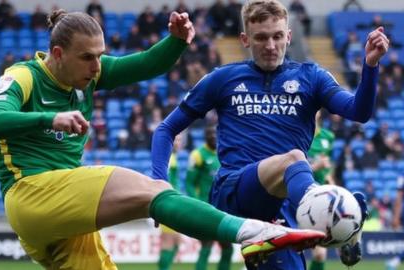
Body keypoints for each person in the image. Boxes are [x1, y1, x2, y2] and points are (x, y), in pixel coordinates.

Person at [0, 9, 325, 269]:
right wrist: (48, 117)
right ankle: (255, 232)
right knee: (153, 191)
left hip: (62, 218)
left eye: (100, 55)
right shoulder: (23, 75)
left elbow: (146, 64)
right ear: (57, 54)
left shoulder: (89, 75)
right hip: (30, 193)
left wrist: (176, 41)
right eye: (88, 57)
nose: (97, 66)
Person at [151, 0, 388, 268]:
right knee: (294, 159)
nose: (271, 46)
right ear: (245, 39)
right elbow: (165, 129)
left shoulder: (311, 77)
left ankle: (333, 218)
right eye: (261, 38)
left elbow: (359, 112)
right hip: (235, 190)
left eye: (277, 36)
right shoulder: (222, 79)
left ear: (288, 36)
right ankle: (334, 216)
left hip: (283, 205)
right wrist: (159, 186)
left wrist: (370, 66)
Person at [186, 125, 233, 270]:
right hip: (205, 208)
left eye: (215, 133)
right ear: (204, 136)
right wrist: (198, 204)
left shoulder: (223, 154)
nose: (213, 136)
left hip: (222, 209)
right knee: (206, 246)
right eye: (209, 133)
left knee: (227, 248)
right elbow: (189, 183)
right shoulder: (197, 155)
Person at [307, 111, 334, 270]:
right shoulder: (296, 134)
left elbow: (327, 165)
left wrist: (330, 180)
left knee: (319, 254)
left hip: (318, 199)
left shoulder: (327, 137)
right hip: (293, 197)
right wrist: (315, 167)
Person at [158, 135, 183, 270]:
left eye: (180, 140)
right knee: (168, 241)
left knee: (177, 242)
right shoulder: (170, 159)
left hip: (173, 202)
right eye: (176, 140)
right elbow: (165, 181)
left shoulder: (173, 158)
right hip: (169, 203)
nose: (178, 143)